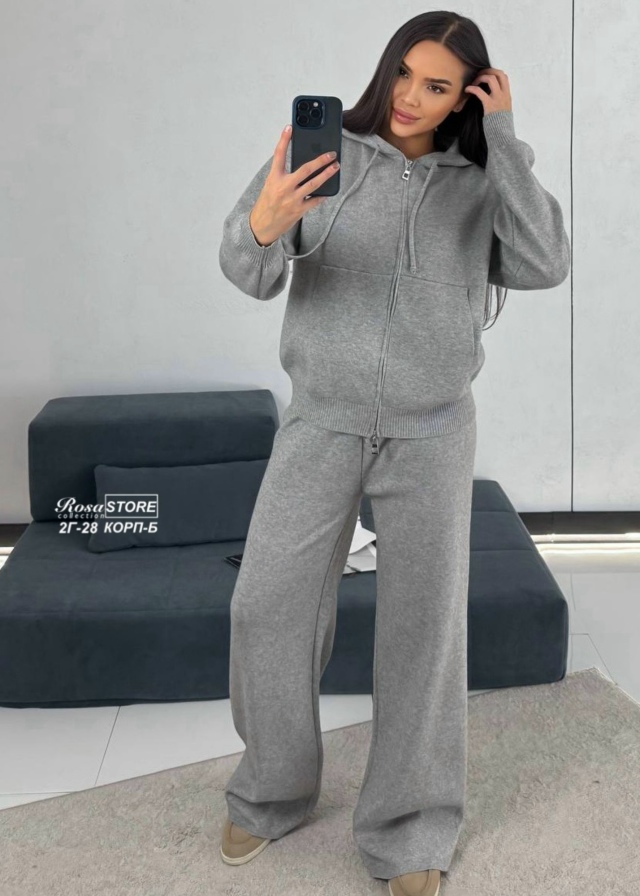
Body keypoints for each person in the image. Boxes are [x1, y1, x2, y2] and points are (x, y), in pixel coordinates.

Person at [218, 10, 570, 895]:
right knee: (265, 609)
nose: (411, 97)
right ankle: (271, 791)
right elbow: (246, 269)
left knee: (423, 634)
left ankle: (410, 830)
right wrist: (265, 221)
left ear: (467, 99)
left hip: (433, 433)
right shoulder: (325, 151)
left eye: (438, 86)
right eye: (405, 74)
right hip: (322, 422)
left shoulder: (483, 184)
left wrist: (506, 141)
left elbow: (547, 261)